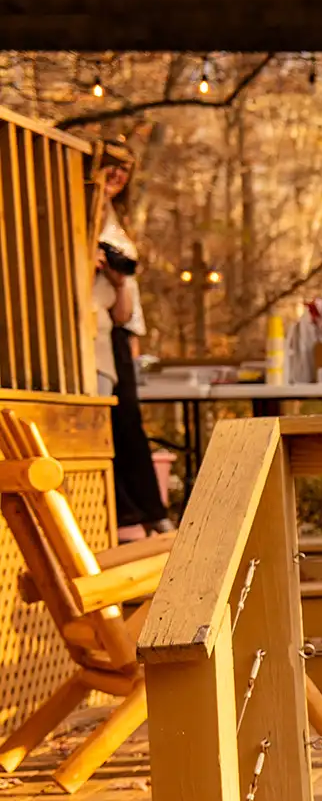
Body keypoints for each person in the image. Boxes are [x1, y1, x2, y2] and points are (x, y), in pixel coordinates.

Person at [94, 150, 171, 536]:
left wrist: (134, 338)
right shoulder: (86, 215)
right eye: (111, 165)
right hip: (98, 330)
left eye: (125, 170)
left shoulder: (115, 219)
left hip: (121, 328)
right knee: (116, 423)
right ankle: (133, 514)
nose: (118, 174)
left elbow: (127, 286)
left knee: (128, 423)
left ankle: (145, 512)